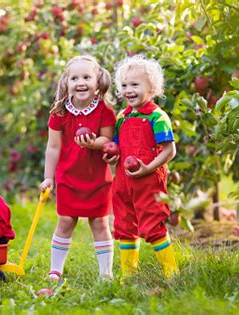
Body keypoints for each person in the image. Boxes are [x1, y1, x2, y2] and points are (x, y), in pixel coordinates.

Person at [39, 55, 116, 281]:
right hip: (68, 178)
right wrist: (48, 178)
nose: (80, 82)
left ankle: (105, 273)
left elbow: (107, 141)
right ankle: (55, 269)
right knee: (65, 221)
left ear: (97, 81)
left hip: (97, 179)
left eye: (86, 77)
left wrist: (92, 144)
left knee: (100, 222)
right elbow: (53, 147)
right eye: (74, 78)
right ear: (66, 83)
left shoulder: (104, 111)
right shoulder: (60, 113)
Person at [103, 55, 178, 278]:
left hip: (148, 181)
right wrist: (111, 157)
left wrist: (148, 168)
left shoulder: (158, 117)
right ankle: (129, 275)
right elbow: (117, 147)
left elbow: (169, 150)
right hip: (123, 182)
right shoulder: (122, 117)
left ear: (151, 87)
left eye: (135, 84)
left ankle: (171, 272)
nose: (129, 90)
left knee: (153, 225)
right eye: (124, 85)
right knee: (124, 227)